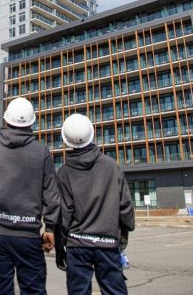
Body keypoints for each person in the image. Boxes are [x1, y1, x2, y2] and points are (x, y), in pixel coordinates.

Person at [0, 97, 60, 295]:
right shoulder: (41, 151)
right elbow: (50, 192)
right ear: (31, 122)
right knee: (34, 290)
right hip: (28, 235)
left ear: (5, 120)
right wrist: (51, 227)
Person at [54, 114, 135, 295]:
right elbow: (125, 205)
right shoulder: (111, 166)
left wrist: (60, 246)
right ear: (92, 133)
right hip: (107, 242)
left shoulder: (64, 173)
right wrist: (125, 231)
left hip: (77, 244)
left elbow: (63, 215)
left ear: (66, 141)